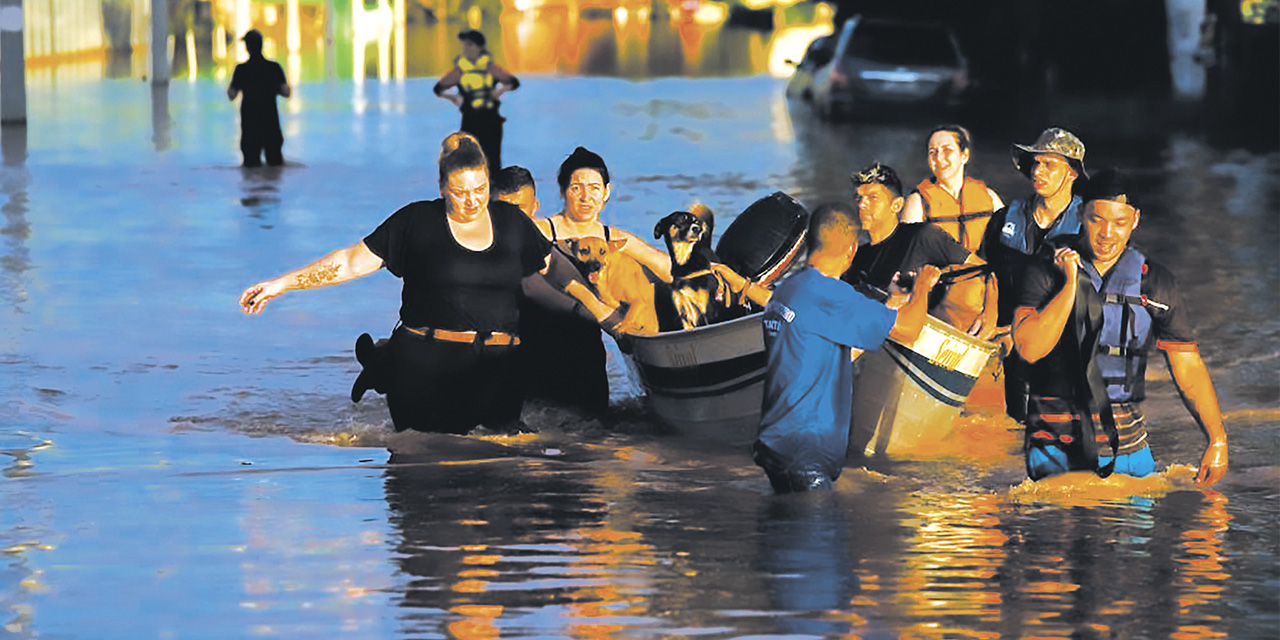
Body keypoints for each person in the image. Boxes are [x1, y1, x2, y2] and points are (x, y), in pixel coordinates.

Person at [238, 133, 557, 435]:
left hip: (498, 372)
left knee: (503, 474)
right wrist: (282, 284)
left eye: (480, 189)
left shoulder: (513, 221)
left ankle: (379, 360)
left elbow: (550, 267)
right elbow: (351, 262)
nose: (472, 201)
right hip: (426, 371)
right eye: (461, 192)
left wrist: (602, 312)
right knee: (425, 464)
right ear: (443, 187)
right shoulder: (416, 222)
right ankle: (385, 361)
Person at [1011, 169, 1227, 485]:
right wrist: (1070, 284)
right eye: (1097, 219)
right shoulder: (1043, 270)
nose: (1107, 234)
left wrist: (1217, 438)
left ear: (1136, 220)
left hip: (1132, 454)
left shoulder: (1155, 283)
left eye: (1120, 223)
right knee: (1056, 529)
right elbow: (1030, 349)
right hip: (1056, 453)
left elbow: (1188, 367)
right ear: (1081, 211)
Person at [754, 202, 941, 493]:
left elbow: (824, 354)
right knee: (816, 533)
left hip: (779, 446)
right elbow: (910, 330)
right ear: (852, 249)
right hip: (805, 452)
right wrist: (923, 288)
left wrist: (893, 301)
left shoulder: (788, 290)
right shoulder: (830, 294)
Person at [519, 147, 672, 413]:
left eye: (594, 188)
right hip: (536, 350)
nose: (586, 196)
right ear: (562, 190)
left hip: (586, 354)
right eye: (577, 187)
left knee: (590, 438)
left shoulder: (614, 241)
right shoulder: (540, 231)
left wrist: (723, 276)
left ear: (606, 193)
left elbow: (666, 268)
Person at [980, 127, 1089, 422]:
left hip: (1064, 351)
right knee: (1019, 436)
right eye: (1036, 163)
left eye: (1049, 165)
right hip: (1011, 345)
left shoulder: (1090, 229)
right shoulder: (1004, 219)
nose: (1038, 171)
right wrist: (993, 320)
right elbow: (985, 273)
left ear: (1072, 174)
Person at [840, 162, 996, 337]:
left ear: (896, 205)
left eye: (872, 198)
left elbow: (986, 270)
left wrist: (991, 314)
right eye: (858, 198)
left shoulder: (923, 236)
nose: (861, 204)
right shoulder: (858, 257)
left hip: (920, 339)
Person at [901, 124, 1005, 252]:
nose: (938, 158)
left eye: (947, 150)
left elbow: (1010, 245)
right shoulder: (917, 203)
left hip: (983, 270)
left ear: (964, 156)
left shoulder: (990, 198)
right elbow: (906, 255)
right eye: (932, 152)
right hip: (941, 272)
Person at [434, 30, 520, 175]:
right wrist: (453, 98)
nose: (466, 49)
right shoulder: (460, 70)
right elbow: (439, 88)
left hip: (491, 120)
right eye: (465, 46)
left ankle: (494, 191)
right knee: (470, 158)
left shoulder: (490, 68)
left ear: (479, 47)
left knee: (493, 159)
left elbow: (513, 82)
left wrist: (500, 91)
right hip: (470, 120)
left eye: (469, 45)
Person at [227, 29, 291, 168]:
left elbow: (231, 95)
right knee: (275, 168)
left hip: (250, 128)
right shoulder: (274, 68)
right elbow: (286, 92)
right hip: (271, 126)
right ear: (261, 46)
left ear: (247, 48)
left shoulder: (241, 70)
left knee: (250, 170)